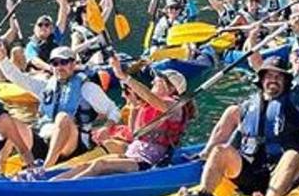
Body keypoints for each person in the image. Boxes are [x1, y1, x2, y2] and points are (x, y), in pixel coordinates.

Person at [192, 16, 299, 196]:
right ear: (261, 80)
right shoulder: (254, 102)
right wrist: (252, 37)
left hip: (283, 172)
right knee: (220, 151)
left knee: (292, 155)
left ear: (286, 80)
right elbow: (255, 60)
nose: (273, 79)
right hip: (251, 170)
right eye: (269, 76)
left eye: (278, 77)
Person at [53, 59, 194, 179]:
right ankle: (52, 182)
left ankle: (59, 189)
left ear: (170, 88)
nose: (153, 84)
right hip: (133, 153)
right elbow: (135, 134)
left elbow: (150, 97)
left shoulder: (174, 105)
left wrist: (125, 77)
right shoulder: (155, 105)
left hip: (148, 160)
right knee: (87, 164)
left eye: (157, 83)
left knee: (100, 165)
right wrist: (133, 106)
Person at [0, 38, 121, 168]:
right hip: (44, 140)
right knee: (10, 121)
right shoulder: (45, 86)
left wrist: (106, 127)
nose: (59, 67)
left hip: (72, 145)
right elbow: (17, 77)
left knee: (63, 117)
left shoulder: (87, 88)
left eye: (64, 62)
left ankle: (46, 168)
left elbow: (113, 111)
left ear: (72, 64)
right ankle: (0, 166)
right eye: (55, 63)